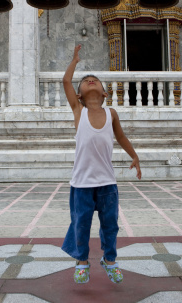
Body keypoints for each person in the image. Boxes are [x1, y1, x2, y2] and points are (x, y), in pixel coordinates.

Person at [61, 44, 142, 284]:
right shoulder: (78, 110)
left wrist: (134, 156)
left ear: (106, 93)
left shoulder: (112, 113)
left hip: (107, 182)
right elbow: (66, 82)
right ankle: (82, 261)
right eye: (86, 81)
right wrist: (75, 61)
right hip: (82, 183)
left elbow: (121, 137)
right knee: (81, 224)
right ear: (79, 95)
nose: (90, 80)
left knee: (110, 225)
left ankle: (110, 260)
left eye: (95, 79)